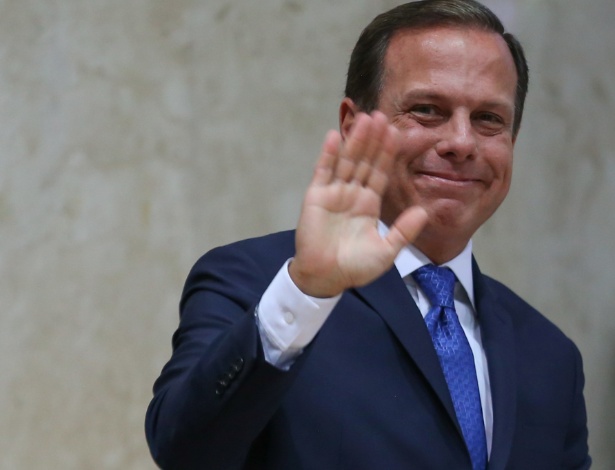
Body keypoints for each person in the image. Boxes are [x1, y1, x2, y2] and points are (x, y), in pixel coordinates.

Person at [145, 1, 591, 468]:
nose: (461, 142)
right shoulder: (256, 284)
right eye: (427, 110)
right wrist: (308, 291)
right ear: (352, 125)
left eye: (489, 119)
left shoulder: (551, 356)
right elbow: (185, 451)